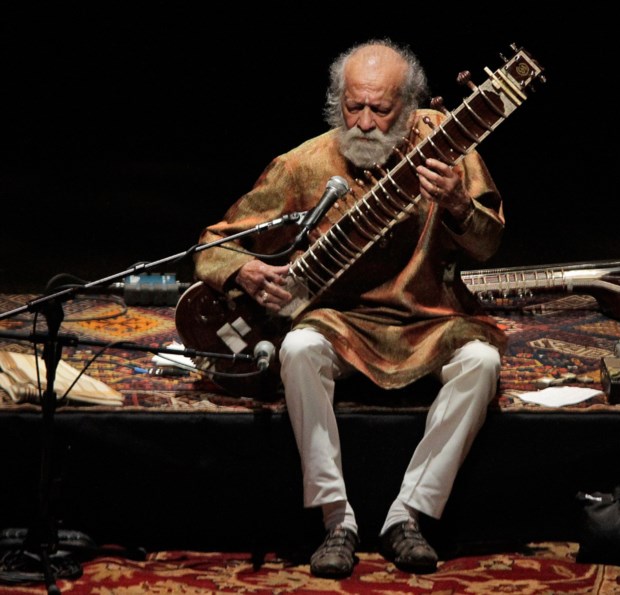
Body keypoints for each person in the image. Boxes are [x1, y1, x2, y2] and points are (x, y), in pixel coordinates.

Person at [193, 38, 507, 578]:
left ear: (409, 107)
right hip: (338, 321)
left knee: (481, 363)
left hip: (427, 318)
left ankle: (408, 514)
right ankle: (336, 519)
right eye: (352, 106)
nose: (362, 123)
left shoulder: (449, 147)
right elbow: (212, 245)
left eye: (379, 109)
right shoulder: (303, 164)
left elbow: (488, 245)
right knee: (298, 348)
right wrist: (244, 270)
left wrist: (458, 203)